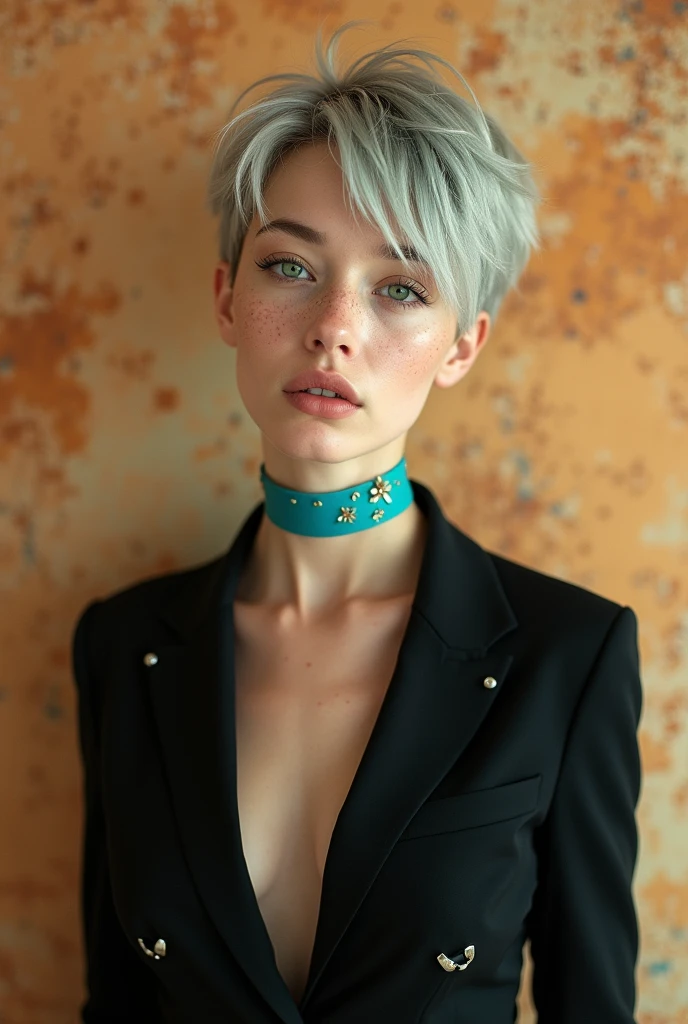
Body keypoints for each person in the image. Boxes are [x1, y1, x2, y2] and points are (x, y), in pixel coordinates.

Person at [71, 20, 643, 1024]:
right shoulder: (124, 648)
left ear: (460, 347)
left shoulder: (567, 654)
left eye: (399, 288)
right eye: (290, 266)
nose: (335, 323)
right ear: (226, 293)